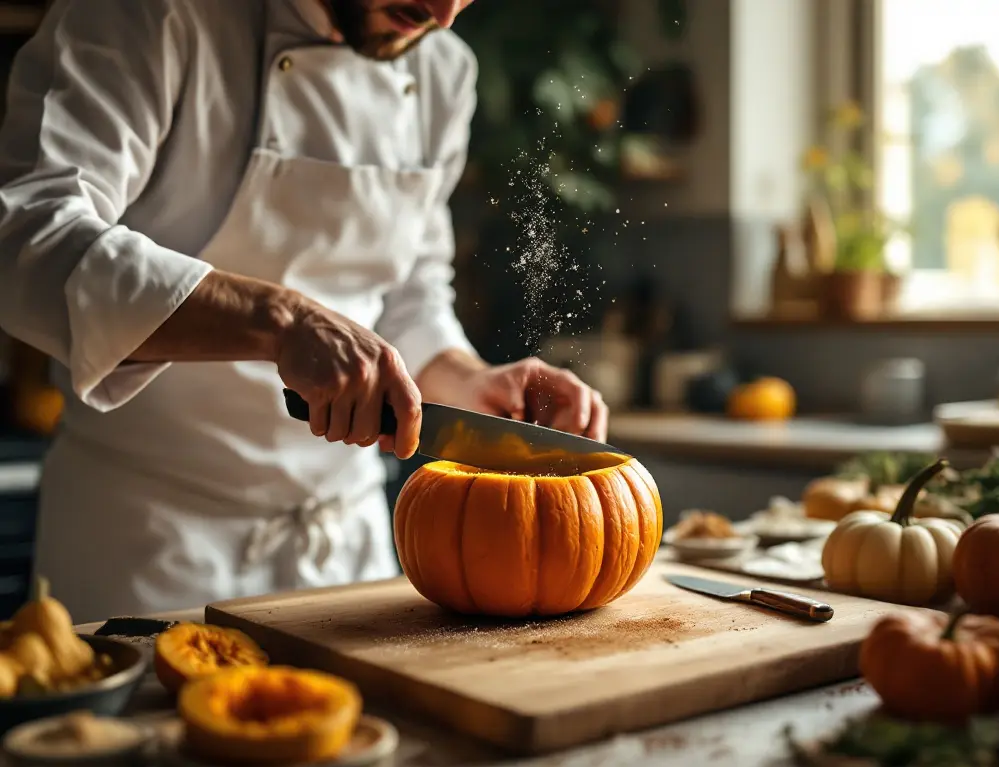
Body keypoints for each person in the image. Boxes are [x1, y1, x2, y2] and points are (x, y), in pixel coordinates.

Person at [0, 0, 608, 623]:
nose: (444, 13)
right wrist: (281, 321)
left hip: (350, 555)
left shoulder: (442, 70)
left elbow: (409, 295)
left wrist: (468, 378)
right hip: (152, 551)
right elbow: (25, 236)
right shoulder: (153, 16)